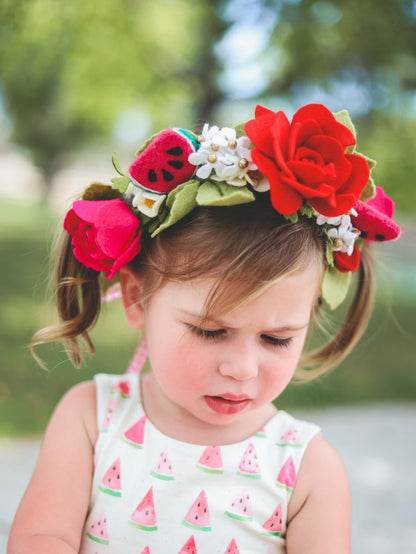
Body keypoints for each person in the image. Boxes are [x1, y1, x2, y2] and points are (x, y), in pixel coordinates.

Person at [8, 103, 401, 554]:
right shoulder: (91, 419)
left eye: (277, 339)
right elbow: (41, 538)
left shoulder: (307, 470)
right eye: (210, 332)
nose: (241, 368)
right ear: (138, 299)